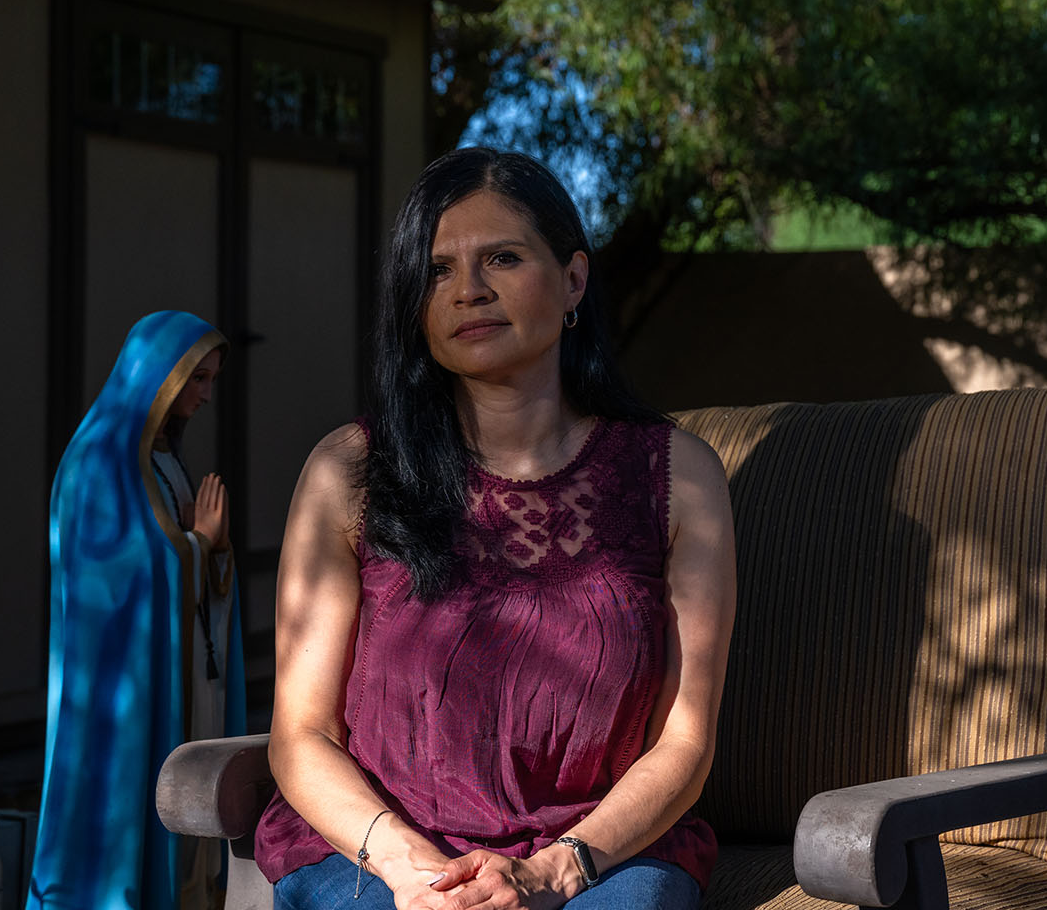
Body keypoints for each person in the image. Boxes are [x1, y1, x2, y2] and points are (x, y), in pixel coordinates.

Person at [253, 149, 737, 910]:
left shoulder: (677, 477)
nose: (468, 291)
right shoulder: (349, 470)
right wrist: (409, 868)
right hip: (376, 848)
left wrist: (555, 870)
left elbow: (684, 742)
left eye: (502, 258)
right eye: (438, 270)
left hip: (597, 851)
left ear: (574, 279)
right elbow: (300, 734)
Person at [29, 310, 246, 910]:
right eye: (196, 379)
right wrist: (199, 545)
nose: (205, 394)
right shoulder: (98, 463)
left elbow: (169, 556)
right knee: (119, 799)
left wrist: (213, 551)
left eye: (210, 380)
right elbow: (117, 575)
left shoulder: (159, 459)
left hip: (173, 666)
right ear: (157, 378)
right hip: (118, 689)